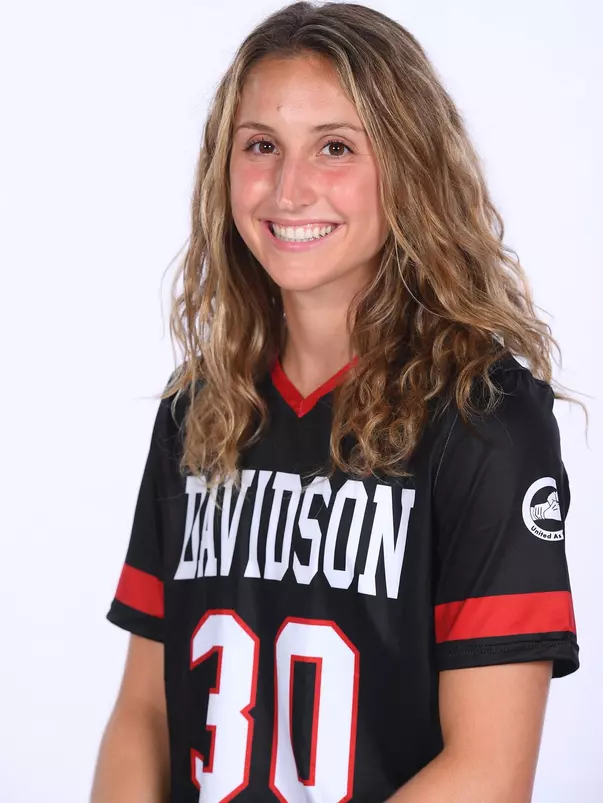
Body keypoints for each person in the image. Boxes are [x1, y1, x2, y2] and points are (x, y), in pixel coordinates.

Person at [90, 2, 580, 801]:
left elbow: (488, 772)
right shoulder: (199, 409)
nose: (289, 189)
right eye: (260, 146)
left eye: (335, 147)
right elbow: (143, 713)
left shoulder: (484, 420)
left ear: (409, 166)